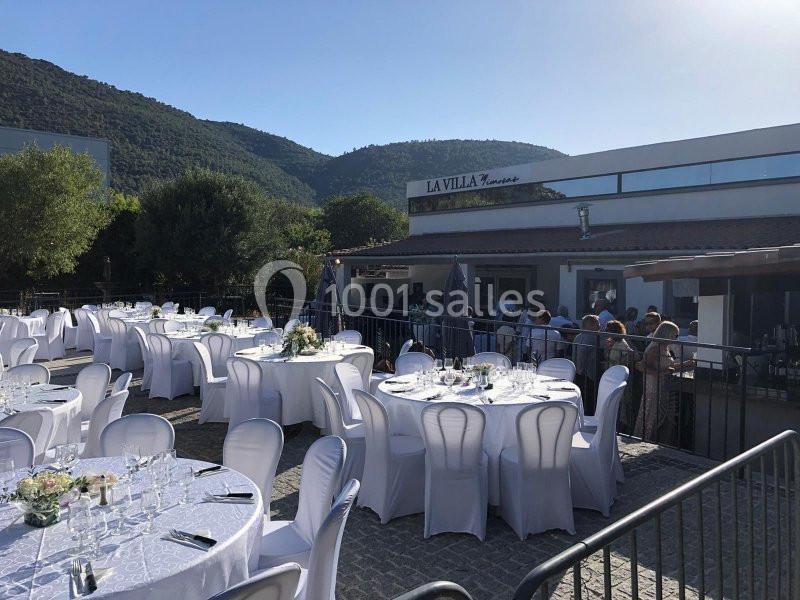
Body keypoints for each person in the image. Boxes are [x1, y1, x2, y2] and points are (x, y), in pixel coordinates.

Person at [634, 321, 694, 443]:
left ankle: (657, 441)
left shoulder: (665, 347)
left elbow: (668, 368)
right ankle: (645, 439)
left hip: (663, 384)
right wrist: (661, 373)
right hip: (653, 385)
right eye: (675, 335)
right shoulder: (655, 348)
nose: (676, 338)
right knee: (652, 414)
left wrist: (687, 364)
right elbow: (642, 366)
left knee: (662, 415)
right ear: (667, 334)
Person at [573, 314, 600, 414]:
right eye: (597, 323)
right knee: (589, 399)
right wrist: (581, 369)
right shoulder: (591, 336)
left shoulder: (578, 336)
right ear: (590, 325)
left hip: (579, 372)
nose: (599, 326)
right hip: (587, 373)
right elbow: (582, 352)